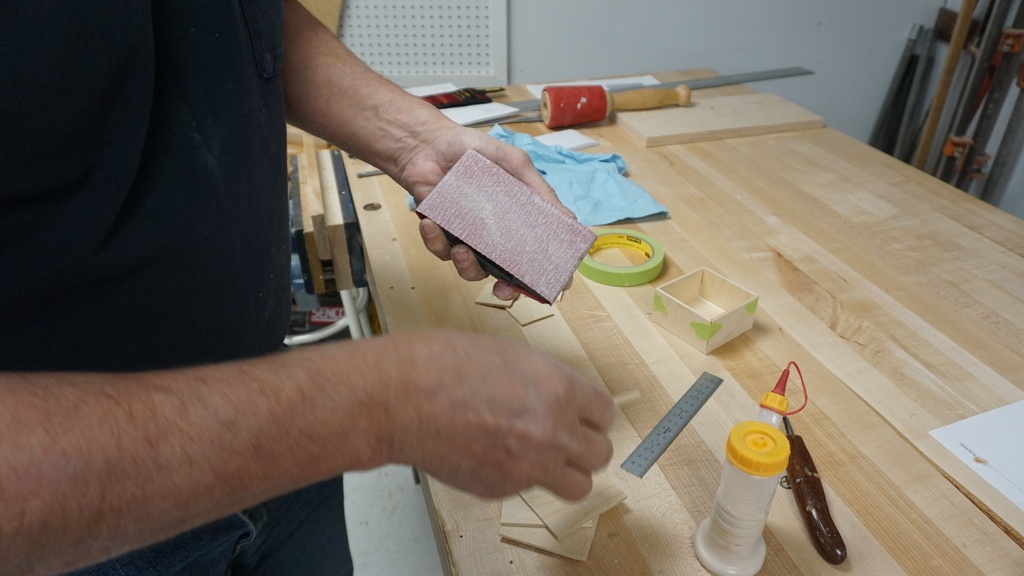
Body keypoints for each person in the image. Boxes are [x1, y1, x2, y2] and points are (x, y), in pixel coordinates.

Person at [0, 1, 615, 574]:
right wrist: (374, 406)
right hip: (83, 521)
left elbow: (230, 22)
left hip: (277, 423)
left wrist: (418, 145)